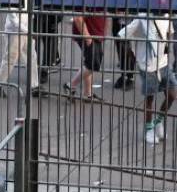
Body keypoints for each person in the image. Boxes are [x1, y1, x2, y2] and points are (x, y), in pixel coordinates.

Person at [116, 13, 176, 144]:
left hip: (164, 63)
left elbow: (168, 33)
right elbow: (122, 35)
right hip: (147, 65)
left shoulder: (166, 15)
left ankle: (159, 121)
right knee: (150, 98)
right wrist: (132, 56)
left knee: (172, 95)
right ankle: (148, 129)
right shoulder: (141, 18)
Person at [67, 12, 106, 101]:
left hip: (94, 32)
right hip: (89, 34)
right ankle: (71, 85)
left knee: (89, 62)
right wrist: (87, 37)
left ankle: (87, 94)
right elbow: (78, 17)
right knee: (93, 63)